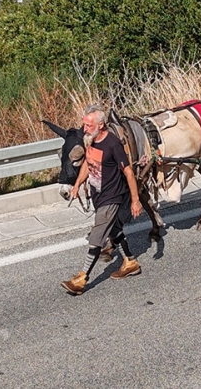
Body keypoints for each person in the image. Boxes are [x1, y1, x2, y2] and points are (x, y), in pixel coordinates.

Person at [61, 106, 143, 296]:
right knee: (114, 230)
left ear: (101, 125)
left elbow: (128, 172)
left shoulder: (112, 144)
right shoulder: (90, 140)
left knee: (96, 237)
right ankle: (130, 262)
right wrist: (77, 185)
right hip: (98, 195)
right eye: (84, 125)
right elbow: (88, 164)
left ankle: (81, 279)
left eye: (89, 125)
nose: (85, 129)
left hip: (111, 196)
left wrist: (135, 200)